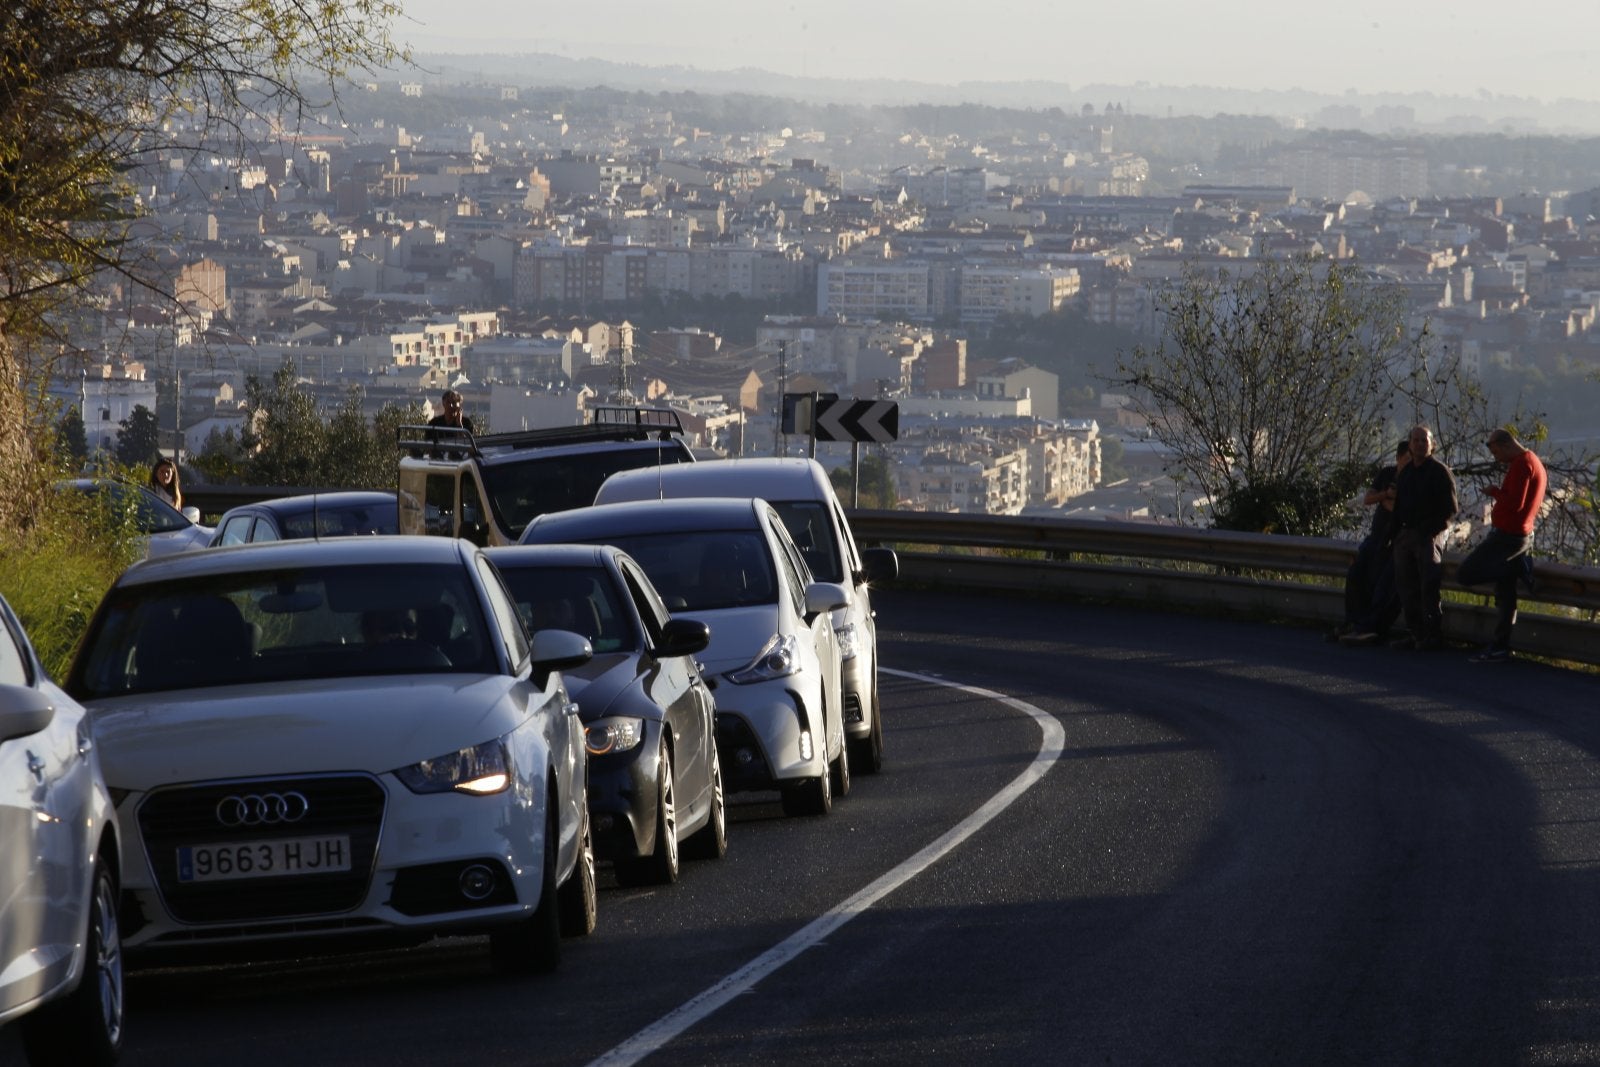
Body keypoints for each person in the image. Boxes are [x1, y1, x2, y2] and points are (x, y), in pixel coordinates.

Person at [1456, 428, 1547, 663]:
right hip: (1517, 536)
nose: (1496, 457)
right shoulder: (1532, 461)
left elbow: (1515, 504)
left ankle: (1512, 568)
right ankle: (1500, 645)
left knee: (1465, 574)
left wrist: (1494, 491)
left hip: (1508, 537)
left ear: (1505, 444)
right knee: (1506, 595)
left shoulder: (1522, 464)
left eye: (1496, 451)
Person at [1388, 424, 1459, 651]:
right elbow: (1398, 507)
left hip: (1428, 538)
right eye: (1416, 440)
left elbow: (1450, 509)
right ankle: (1415, 634)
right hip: (1405, 537)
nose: (1420, 444)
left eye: (1424, 440)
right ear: (1409, 444)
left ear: (1432, 445)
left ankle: (1433, 636)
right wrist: (1393, 535)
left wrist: (1429, 532)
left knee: (1429, 586)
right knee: (1407, 588)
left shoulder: (1440, 472)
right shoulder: (1406, 473)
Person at [1337, 438, 1411, 646]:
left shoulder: (1413, 478)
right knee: (1356, 574)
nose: (1408, 463)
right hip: (1376, 536)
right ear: (1398, 458)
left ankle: (1371, 627)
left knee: (1382, 584)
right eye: (1405, 459)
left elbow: (1398, 508)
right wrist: (1386, 495)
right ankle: (1353, 622)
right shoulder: (1387, 474)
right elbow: (1368, 498)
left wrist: (1387, 501)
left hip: (1394, 541)